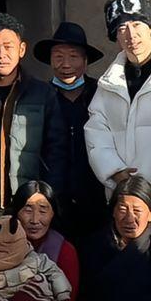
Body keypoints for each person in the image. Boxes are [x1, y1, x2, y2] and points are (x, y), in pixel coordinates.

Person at [85, 0, 151, 242]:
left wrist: (140, 182)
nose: (131, 35)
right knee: (128, 262)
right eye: (122, 28)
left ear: (150, 27)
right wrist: (117, 174)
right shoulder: (108, 82)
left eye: (137, 24)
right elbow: (96, 132)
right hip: (123, 200)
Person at [0, 13, 69, 217]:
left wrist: (48, 199)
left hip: (28, 209)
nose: (1, 54)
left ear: (21, 49)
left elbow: (57, 152)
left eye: (8, 46)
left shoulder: (42, 94)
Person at [34, 20, 106, 240]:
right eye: (58, 56)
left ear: (85, 61)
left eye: (73, 56)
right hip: (54, 197)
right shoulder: (40, 96)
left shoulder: (101, 93)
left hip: (97, 196)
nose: (66, 64)